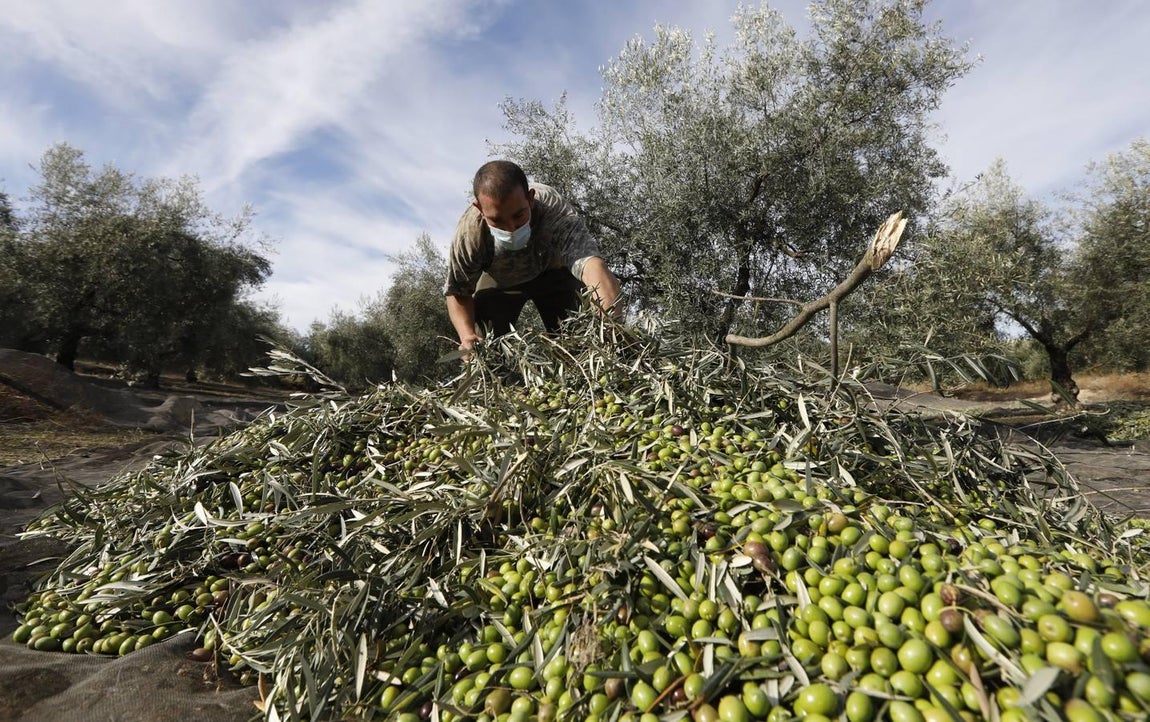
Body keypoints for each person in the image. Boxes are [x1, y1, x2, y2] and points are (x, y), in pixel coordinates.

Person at [443, 160, 621, 352]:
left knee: (580, 342)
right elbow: (458, 291)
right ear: (479, 209)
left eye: (518, 215)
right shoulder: (469, 233)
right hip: (500, 281)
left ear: (530, 198)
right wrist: (467, 335)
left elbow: (591, 265)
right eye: (496, 220)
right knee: (484, 350)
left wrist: (610, 325)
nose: (510, 228)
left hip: (553, 272)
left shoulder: (553, 208)